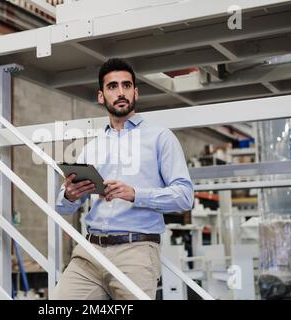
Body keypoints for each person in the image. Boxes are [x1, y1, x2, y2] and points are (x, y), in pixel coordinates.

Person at [53, 58, 194, 300]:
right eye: (112, 87)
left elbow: (184, 197)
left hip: (136, 251)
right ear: (101, 96)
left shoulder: (160, 138)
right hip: (90, 252)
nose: (121, 92)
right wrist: (69, 195)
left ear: (135, 92)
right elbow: (63, 207)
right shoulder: (93, 147)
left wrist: (135, 194)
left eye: (126, 86)